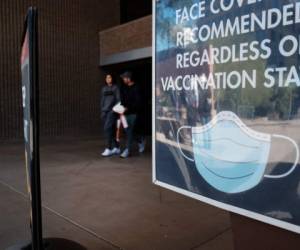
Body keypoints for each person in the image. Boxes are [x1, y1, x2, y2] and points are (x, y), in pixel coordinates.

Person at [119, 71, 142, 158]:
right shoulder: (123, 87)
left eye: (124, 78)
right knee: (128, 131)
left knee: (129, 131)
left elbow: (138, 102)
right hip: (124, 113)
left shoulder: (136, 87)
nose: (123, 79)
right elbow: (122, 100)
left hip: (133, 113)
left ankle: (127, 150)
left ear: (129, 78)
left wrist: (128, 108)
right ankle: (139, 140)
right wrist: (121, 107)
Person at [100, 74, 120, 157]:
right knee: (110, 130)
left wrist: (113, 110)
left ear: (112, 78)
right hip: (104, 112)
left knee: (107, 128)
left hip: (112, 112)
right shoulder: (104, 89)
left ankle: (108, 148)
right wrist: (102, 110)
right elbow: (102, 100)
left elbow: (118, 100)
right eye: (107, 77)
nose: (108, 79)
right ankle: (117, 147)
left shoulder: (116, 88)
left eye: (110, 77)